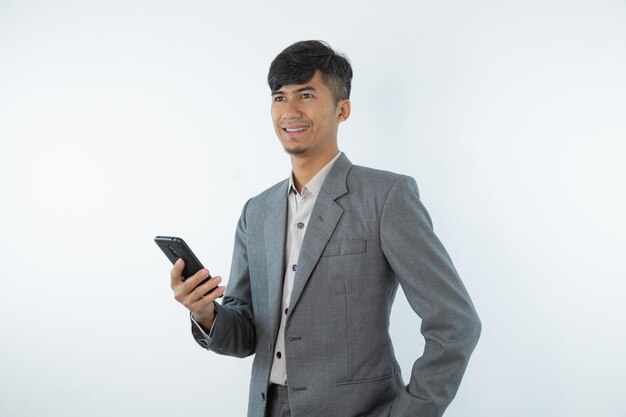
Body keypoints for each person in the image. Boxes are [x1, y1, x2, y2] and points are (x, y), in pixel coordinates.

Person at [170, 40, 481, 417]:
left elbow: (455, 323)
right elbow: (247, 335)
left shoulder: (386, 197)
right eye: (279, 97)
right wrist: (206, 313)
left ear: (343, 109)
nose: (290, 111)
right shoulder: (258, 211)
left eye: (306, 94)